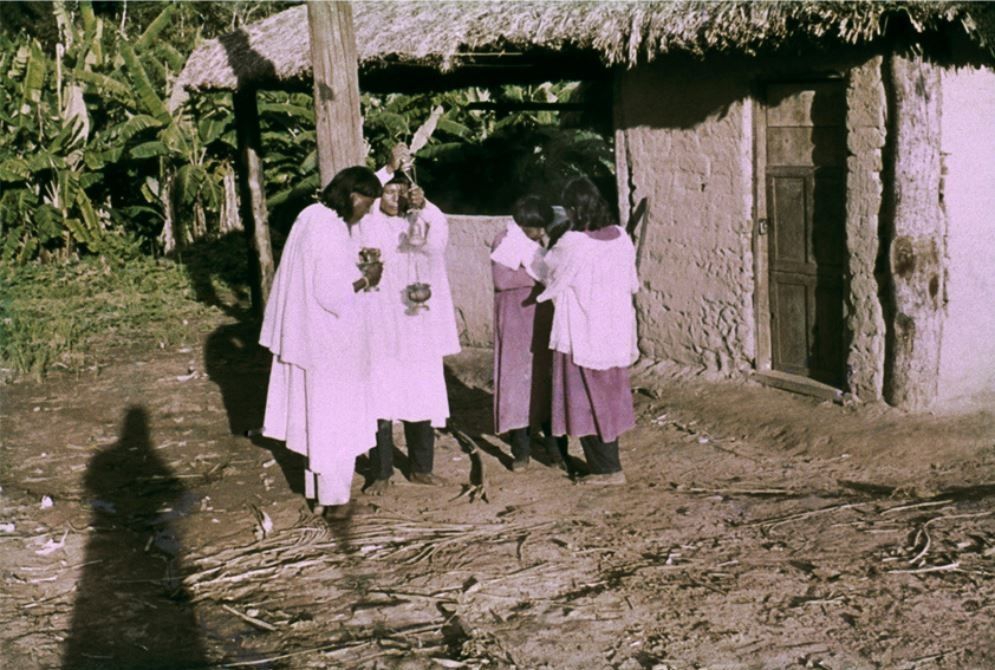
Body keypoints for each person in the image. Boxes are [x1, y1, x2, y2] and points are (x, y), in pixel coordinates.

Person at [258, 166, 384, 519]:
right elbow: (331, 294)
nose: (366, 213)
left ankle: (318, 495)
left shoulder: (310, 216)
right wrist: (365, 279)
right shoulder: (329, 229)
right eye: (367, 205)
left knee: (318, 417)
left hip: (311, 337)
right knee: (336, 419)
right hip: (330, 342)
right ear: (354, 197)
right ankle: (337, 500)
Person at [359, 147, 461, 493]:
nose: (396, 196)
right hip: (381, 321)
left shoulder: (419, 221)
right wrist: (388, 168)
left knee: (421, 391)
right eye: (390, 190)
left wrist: (425, 204)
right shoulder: (369, 221)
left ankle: (421, 468)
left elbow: (439, 240)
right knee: (380, 392)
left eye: (403, 191)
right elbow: (364, 191)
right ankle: (381, 472)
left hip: (416, 323)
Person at [536, 177, 639, 486]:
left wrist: (543, 247)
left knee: (587, 399)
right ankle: (609, 464)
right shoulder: (621, 237)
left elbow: (548, 273)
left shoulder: (573, 242)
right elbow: (632, 282)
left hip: (583, 330)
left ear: (573, 210)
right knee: (607, 397)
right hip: (615, 329)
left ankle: (606, 470)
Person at [490, 195, 566, 471]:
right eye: (537, 228)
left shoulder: (540, 243)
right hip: (514, 318)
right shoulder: (505, 241)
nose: (541, 232)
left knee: (545, 379)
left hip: (542, 316)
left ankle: (556, 448)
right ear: (524, 224)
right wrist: (540, 276)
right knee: (516, 382)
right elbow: (502, 280)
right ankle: (520, 449)